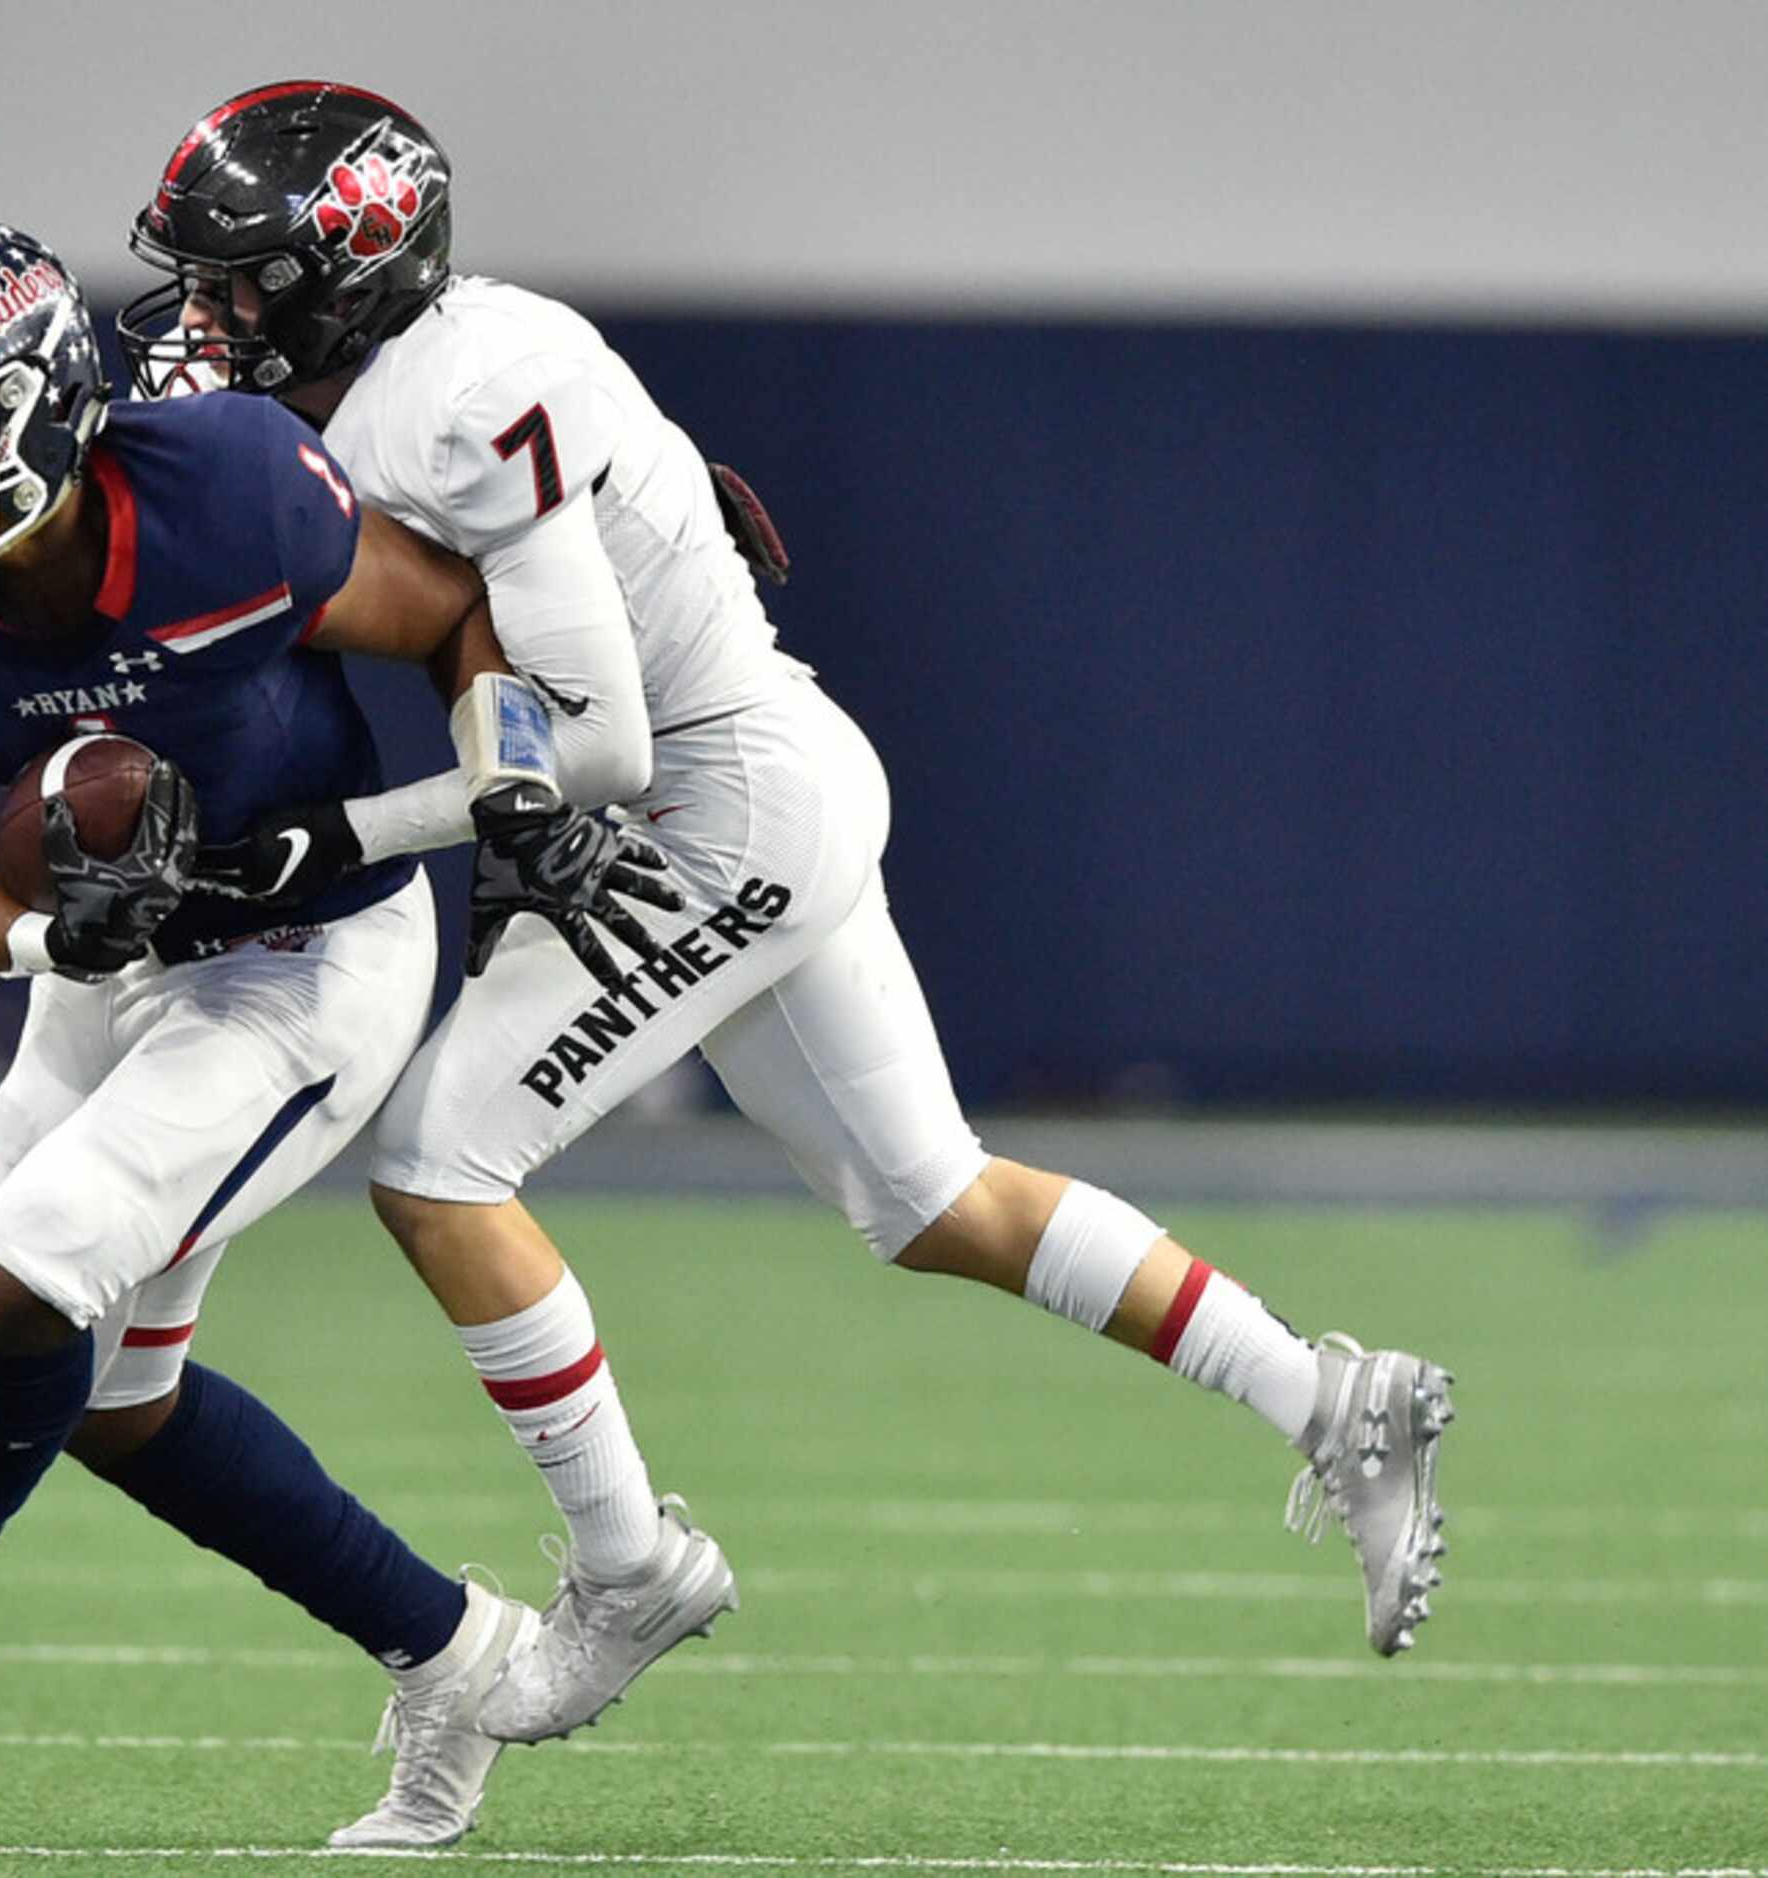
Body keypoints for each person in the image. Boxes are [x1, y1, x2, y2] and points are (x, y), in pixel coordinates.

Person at [110, 84, 1459, 1744]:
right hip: (743, 770)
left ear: (350, 273)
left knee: (439, 1167)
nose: (205, 313)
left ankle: (628, 1566)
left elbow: (592, 742)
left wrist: (341, 834)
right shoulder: (457, 354)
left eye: (240, 282)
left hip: (708, 801)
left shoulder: (456, 400)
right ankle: (1332, 1397)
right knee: (934, 1202)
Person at [0, 217, 656, 1849]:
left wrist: (504, 781)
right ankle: (452, 1651)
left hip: (308, 948)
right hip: (105, 970)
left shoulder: (225, 489)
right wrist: (34, 933)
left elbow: (450, 615)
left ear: (46, 409)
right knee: (95, 1399)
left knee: (30, 1266)